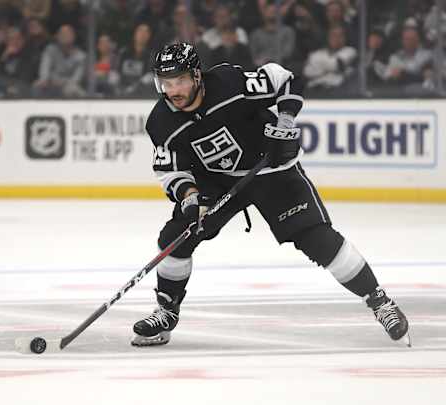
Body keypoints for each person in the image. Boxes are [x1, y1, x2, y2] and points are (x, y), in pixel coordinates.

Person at [131, 42, 410, 348]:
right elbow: (172, 170)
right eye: (166, 83)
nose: (174, 90)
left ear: (197, 76)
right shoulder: (161, 121)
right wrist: (190, 197)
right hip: (217, 182)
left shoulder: (229, 83)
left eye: (180, 80)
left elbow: (283, 78)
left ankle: (380, 302)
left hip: (271, 170)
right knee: (177, 237)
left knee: (316, 238)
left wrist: (286, 121)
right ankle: (167, 313)